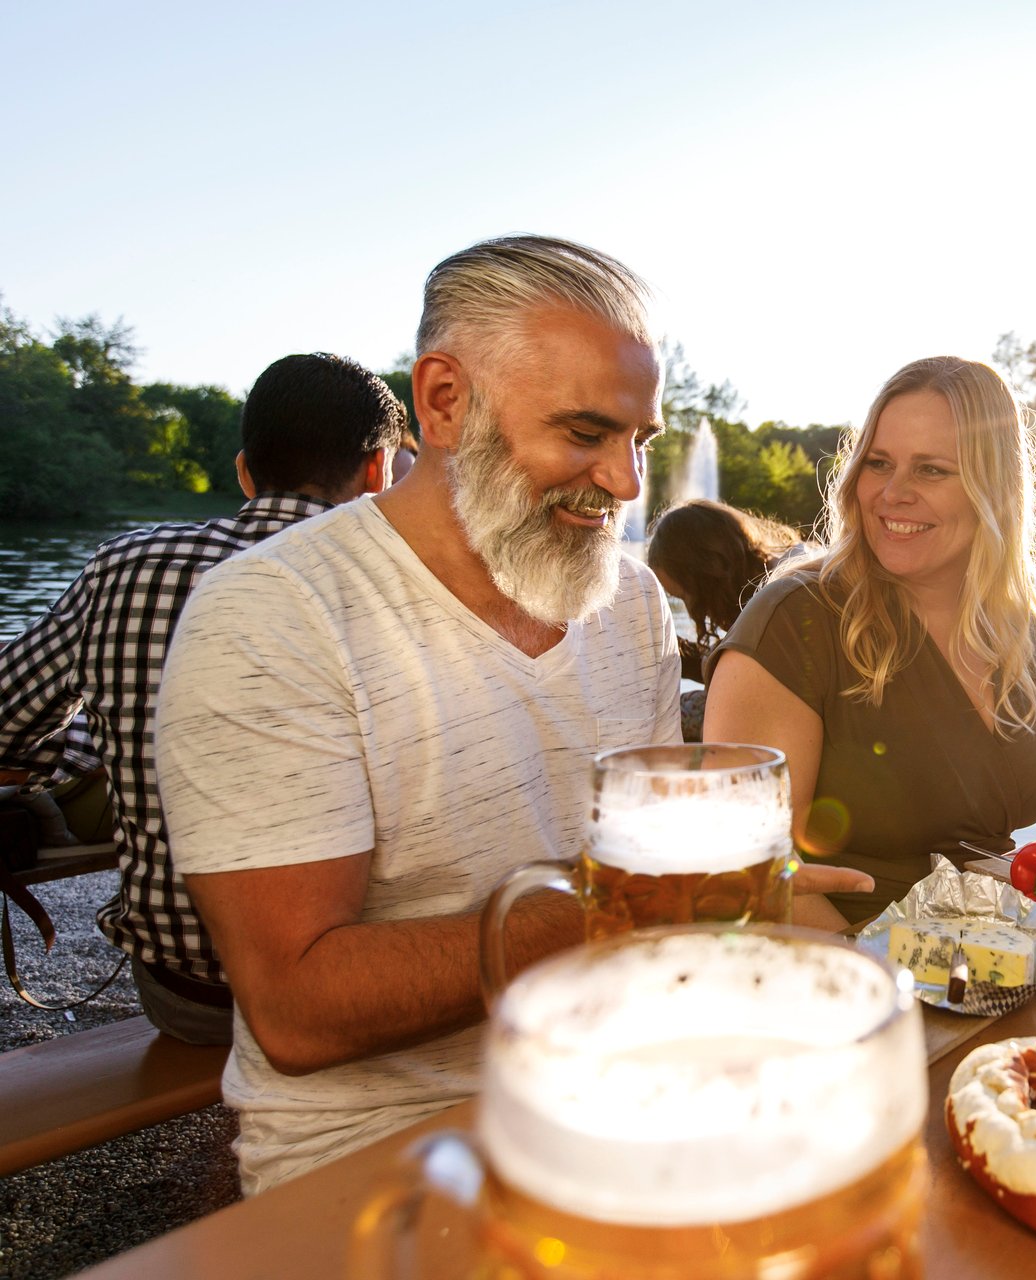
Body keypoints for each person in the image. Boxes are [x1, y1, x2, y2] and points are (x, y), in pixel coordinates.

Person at [154, 236, 867, 1193]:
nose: (624, 483)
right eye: (584, 433)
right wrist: (632, 905)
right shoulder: (271, 613)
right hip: (380, 1148)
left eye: (641, 442)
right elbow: (297, 1011)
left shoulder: (629, 601)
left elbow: (658, 871)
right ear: (444, 401)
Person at [704, 355, 1036, 930]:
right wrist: (883, 981)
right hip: (852, 969)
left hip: (1005, 951)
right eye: (878, 463)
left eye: (931, 470)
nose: (892, 493)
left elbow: (993, 770)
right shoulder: (796, 622)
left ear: (993, 488)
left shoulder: (1017, 626)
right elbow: (746, 872)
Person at [0, 353, 406, 1043]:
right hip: (381, 990)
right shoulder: (413, 587)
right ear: (377, 473)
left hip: (191, 999)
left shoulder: (126, 566)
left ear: (245, 470)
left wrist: (87, 747)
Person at [645, 498, 811, 740]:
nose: (694, 611)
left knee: (671, 716)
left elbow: (753, 685)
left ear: (707, 577)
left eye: (685, 596)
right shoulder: (779, 574)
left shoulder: (785, 598)